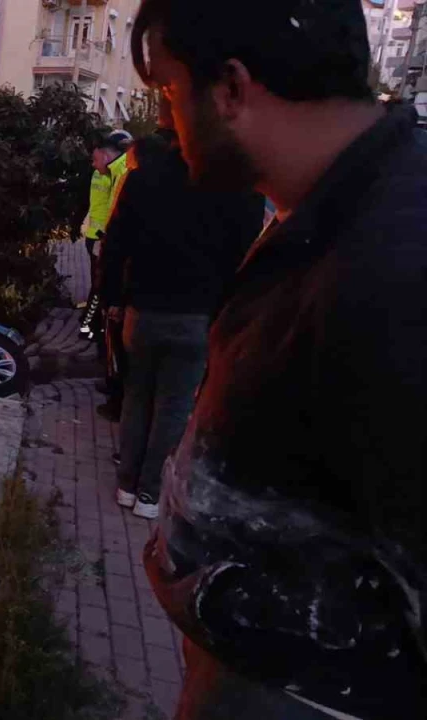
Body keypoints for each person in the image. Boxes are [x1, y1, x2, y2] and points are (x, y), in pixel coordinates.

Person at [130, 1, 427, 719]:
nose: (167, 118)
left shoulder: (398, 270)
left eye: (170, 89)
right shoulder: (331, 210)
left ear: (232, 88)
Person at [98, 103, 263, 520]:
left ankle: (126, 485)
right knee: (173, 405)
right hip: (198, 315)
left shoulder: (143, 179)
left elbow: (115, 243)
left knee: (137, 395)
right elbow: (247, 257)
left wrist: (112, 297)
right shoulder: (240, 188)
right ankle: (149, 494)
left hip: (143, 309)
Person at [78, 130, 133, 345]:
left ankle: (91, 324)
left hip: (99, 237)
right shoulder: (110, 172)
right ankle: (90, 326)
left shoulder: (113, 172)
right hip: (100, 238)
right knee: (100, 286)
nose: (93, 164)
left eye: (95, 159)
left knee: (99, 285)